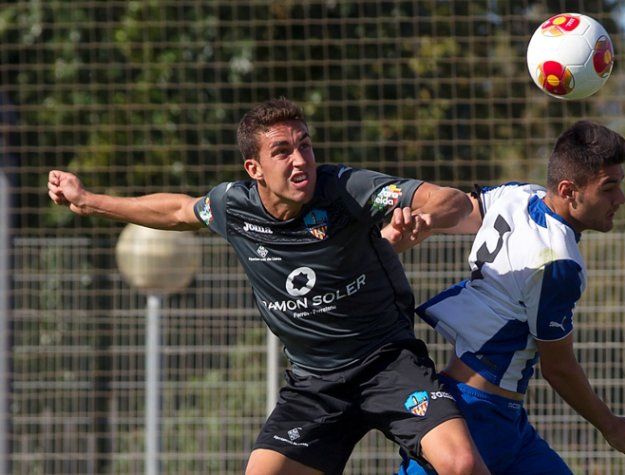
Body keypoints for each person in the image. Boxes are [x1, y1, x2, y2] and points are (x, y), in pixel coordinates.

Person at [47, 98, 490, 475]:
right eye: (283, 151)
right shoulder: (233, 207)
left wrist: (427, 217)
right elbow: (179, 211)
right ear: (254, 168)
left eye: (305, 146)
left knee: (461, 465)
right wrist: (88, 202)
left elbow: (445, 197)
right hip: (315, 386)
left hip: (389, 365)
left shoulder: (346, 189)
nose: (300, 160)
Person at [388, 121, 625, 474]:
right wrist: (610, 425)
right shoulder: (557, 262)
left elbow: (464, 209)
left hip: (504, 420)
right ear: (570, 190)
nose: (620, 199)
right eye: (609, 188)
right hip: (475, 419)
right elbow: (559, 368)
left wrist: (427, 219)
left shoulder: (519, 195)